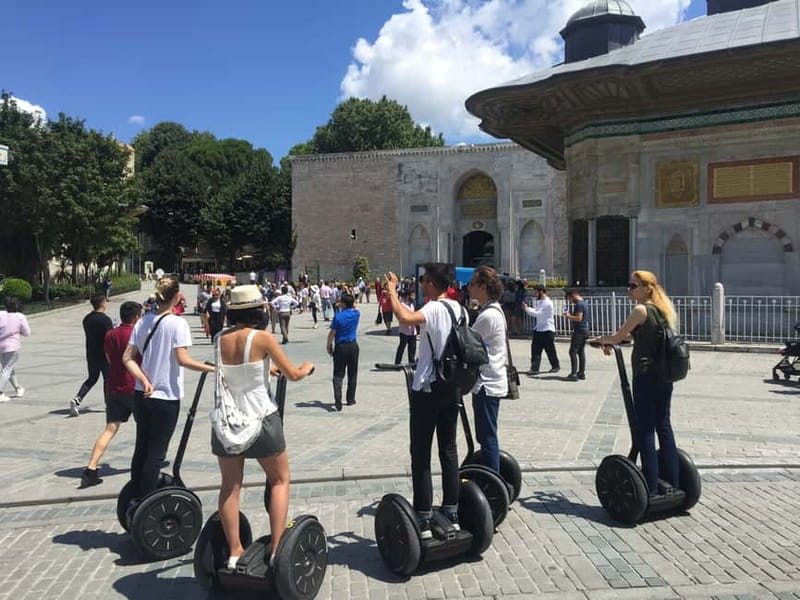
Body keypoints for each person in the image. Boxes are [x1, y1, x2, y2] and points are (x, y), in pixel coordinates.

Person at [212, 285, 314, 570]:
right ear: (258, 310)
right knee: (279, 480)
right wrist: (306, 367)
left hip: (229, 420)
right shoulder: (262, 338)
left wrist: (265, 369)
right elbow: (293, 374)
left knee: (230, 486)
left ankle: (234, 550)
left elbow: (237, 369)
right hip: (262, 417)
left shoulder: (219, 338)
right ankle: (277, 547)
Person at [384, 263, 462, 539]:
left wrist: (392, 292)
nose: (421, 284)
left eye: (423, 280)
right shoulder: (459, 308)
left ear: (431, 284)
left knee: (421, 453)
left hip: (428, 387)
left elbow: (405, 318)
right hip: (452, 386)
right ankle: (452, 510)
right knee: (449, 449)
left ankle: (424, 515)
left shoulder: (433, 308)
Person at [122, 275, 214, 502]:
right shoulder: (177, 324)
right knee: (156, 453)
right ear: (177, 296)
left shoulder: (143, 321)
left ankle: (135, 496)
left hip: (141, 394)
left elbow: (127, 358)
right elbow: (183, 359)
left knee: (141, 447)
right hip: (165, 396)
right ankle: (146, 501)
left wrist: (143, 379)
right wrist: (213, 369)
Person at [590, 270, 679, 497]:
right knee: (664, 426)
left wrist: (601, 341)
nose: (629, 290)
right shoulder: (662, 309)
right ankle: (673, 480)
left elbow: (619, 336)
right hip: (664, 376)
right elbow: (636, 336)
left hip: (646, 376)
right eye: (629, 285)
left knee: (645, 428)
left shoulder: (640, 310)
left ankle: (651, 487)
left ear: (647, 288)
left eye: (633, 286)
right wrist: (612, 342)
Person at [80, 301, 142, 488]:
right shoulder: (137, 334)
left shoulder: (111, 334)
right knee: (145, 429)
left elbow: (108, 358)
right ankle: (143, 468)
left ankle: (91, 468)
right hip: (134, 387)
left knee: (110, 429)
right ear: (137, 317)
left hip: (113, 386)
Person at [467, 267, 508, 474]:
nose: (469, 287)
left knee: (487, 437)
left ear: (483, 287)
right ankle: (492, 475)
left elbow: (467, 342)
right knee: (487, 435)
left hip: (486, 383)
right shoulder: (493, 311)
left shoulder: (488, 316)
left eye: (472, 284)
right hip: (491, 381)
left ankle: (492, 480)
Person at [70, 293, 113, 416]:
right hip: (104, 354)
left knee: (92, 378)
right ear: (102, 303)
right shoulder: (105, 320)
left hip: (91, 353)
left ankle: (77, 398)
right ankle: (108, 404)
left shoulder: (87, 319)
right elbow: (110, 338)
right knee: (107, 379)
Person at [326, 292, 360, 411]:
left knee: (338, 373)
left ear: (344, 304)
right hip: (353, 346)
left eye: (341, 301)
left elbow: (332, 332)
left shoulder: (338, 317)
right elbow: (355, 306)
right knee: (352, 373)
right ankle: (350, 399)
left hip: (340, 346)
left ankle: (338, 396)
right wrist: (351, 299)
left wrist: (329, 345)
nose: (339, 303)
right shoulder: (356, 314)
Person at [521, 286, 560, 375]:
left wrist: (527, 309)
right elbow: (536, 311)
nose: (535, 294)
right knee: (535, 350)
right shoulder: (540, 302)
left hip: (547, 329)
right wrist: (528, 308)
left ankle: (555, 366)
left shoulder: (547, 303)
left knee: (550, 350)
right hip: (539, 328)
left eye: (536, 292)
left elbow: (538, 313)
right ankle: (534, 368)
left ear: (541, 292)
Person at [0, 297, 31, 402]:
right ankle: (0, 393)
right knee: (7, 369)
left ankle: (17, 388)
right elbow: (27, 333)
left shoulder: (1, 314)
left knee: (9, 368)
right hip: (11, 346)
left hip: (0, 346)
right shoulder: (20, 317)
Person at [563, 289, 590, 381]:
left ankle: (574, 374)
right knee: (580, 351)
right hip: (585, 330)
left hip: (579, 331)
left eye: (569, 299)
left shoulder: (579, 305)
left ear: (573, 296)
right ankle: (581, 373)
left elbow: (579, 318)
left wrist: (568, 316)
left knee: (573, 351)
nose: (570, 302)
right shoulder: (585, 303)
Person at [394, 291, 417, 365]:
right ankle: (397, 363)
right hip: (404, 331)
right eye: (412, 295)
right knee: (402, 347)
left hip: (413, 331)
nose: (414, 297)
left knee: (412, 347)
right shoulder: (402, 305)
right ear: (408, 296)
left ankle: (412, 362)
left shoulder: (412, 305)